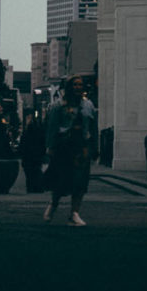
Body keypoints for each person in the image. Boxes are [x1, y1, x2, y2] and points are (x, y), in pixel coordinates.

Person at [43, 74, 97, 227]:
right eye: (75, 84)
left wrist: (94, 147)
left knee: (80, 182)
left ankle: (74, 214)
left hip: (82, 148)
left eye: (80, 85)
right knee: (62, 181)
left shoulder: (88, 105)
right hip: (64, 147)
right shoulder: (59, 106)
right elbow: (52, 128)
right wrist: (50, 148)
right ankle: (53, 205)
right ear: (69, 87)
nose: (78, 87)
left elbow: (93, 127)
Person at [19, 116, 47, 193]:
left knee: (29, 174)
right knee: (36, 171)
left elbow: (22, 147)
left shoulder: (25, 135)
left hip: (28, 158)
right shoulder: (39, 135)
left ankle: (31, 188)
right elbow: (43, 146)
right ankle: (37, 187)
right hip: (36, 157)